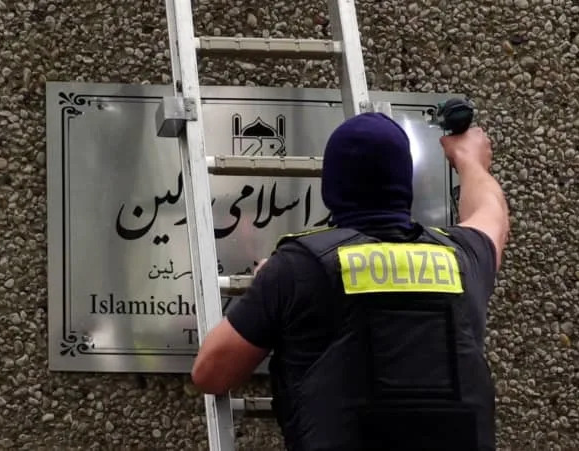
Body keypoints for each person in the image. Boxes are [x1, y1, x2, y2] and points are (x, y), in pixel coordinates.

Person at [191, 112, 510, 451]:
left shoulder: (299, 267)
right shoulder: (464, 257)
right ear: (406, 184)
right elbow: (492, 214)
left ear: (331, 187)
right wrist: (469, 160)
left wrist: (270, 289)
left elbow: (211, 372)